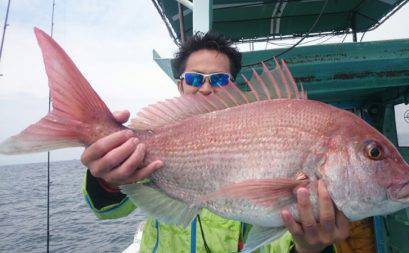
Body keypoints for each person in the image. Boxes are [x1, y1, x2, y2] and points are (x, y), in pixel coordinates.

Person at [81, 31, 375, 253]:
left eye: (219, 80)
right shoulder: (150, 140)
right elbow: (107, 211)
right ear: (179, 84)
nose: (206, 88)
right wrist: (107, 179)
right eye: (195, 79)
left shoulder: (263, 130)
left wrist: (308, 248)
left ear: (233, 86)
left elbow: (277, 241)